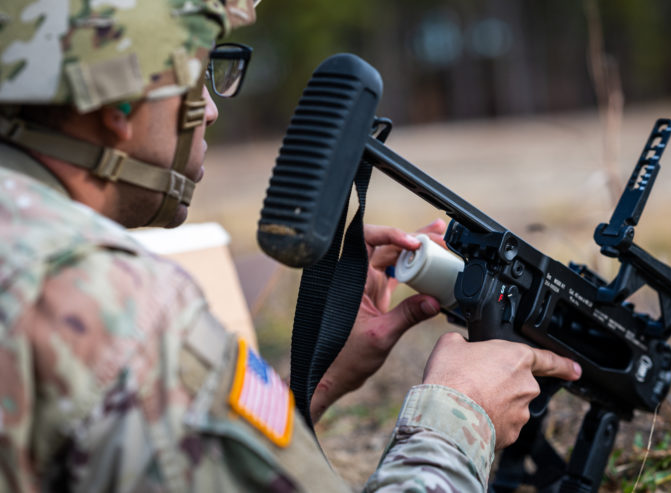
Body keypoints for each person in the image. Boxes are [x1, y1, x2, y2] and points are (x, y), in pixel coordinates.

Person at [0, 1, 581, 492]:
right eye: (199, 69)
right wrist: (460, 415)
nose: (214, 107)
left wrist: (313, 386)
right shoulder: (109, 305)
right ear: (118, 104)